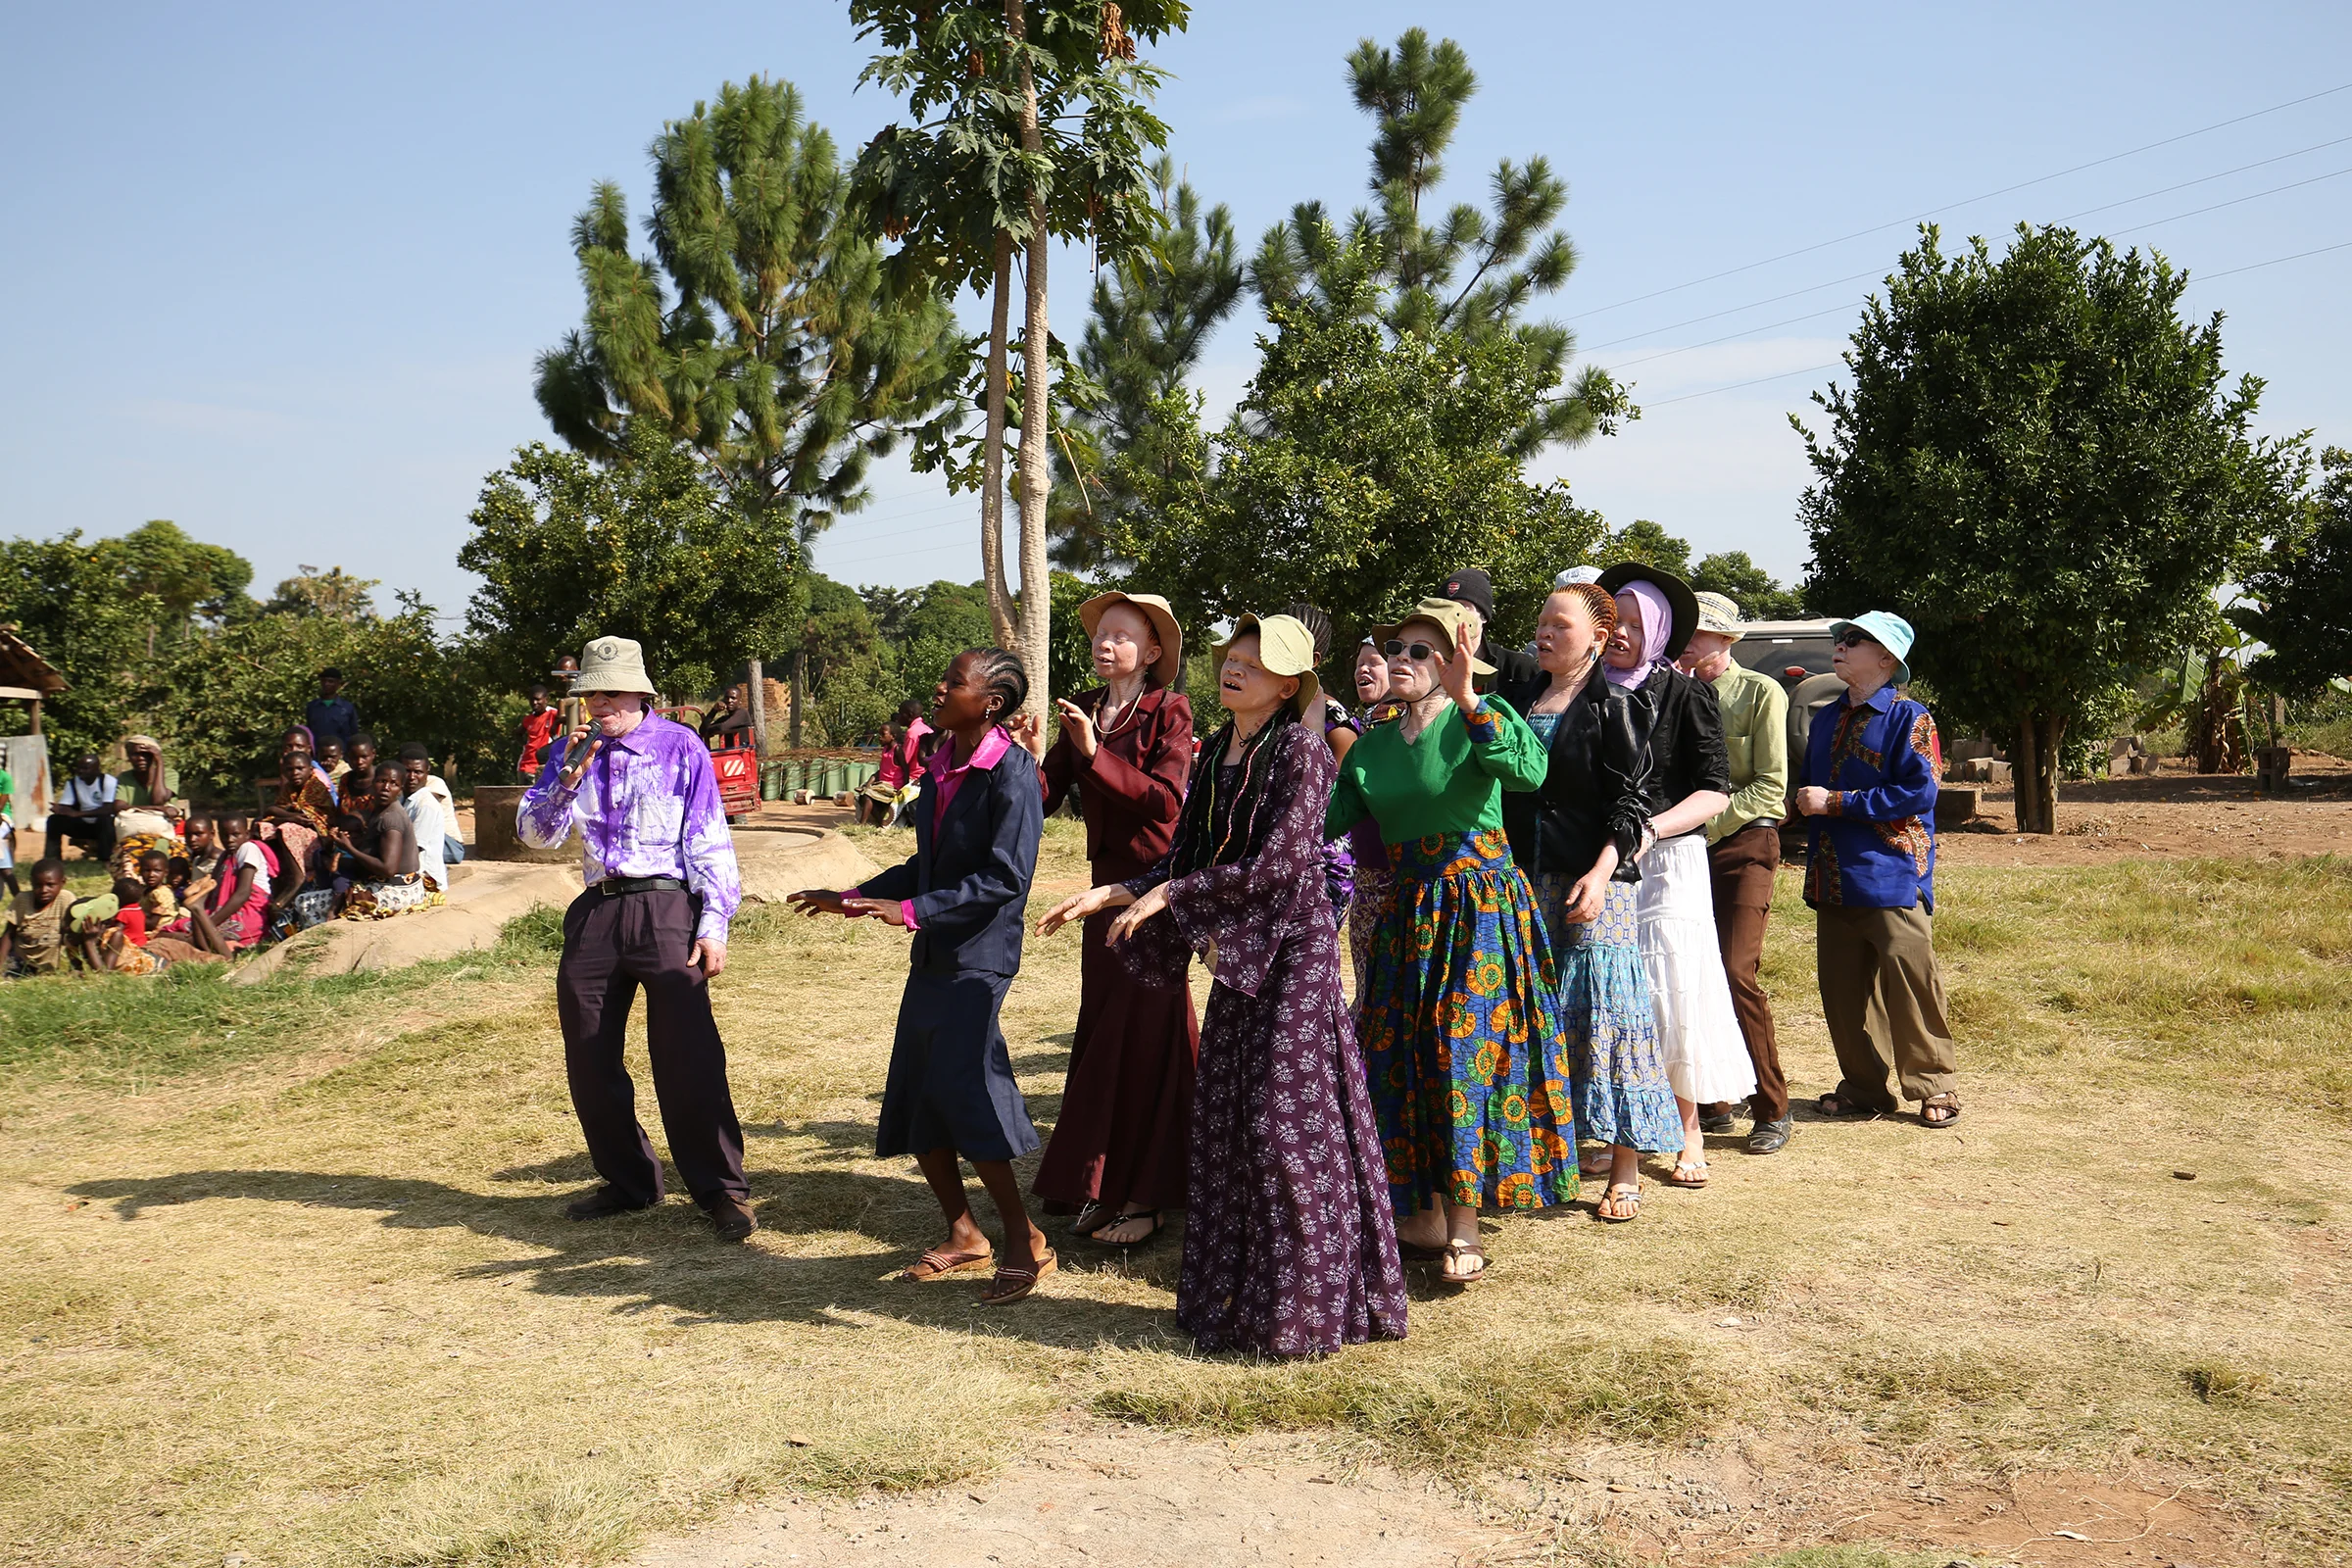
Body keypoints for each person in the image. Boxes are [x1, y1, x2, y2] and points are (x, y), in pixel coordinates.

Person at [1040, 614, 1407, 1356]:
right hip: (1238, 956)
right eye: (1231, 658)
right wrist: (1118, 893)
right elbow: (1189, 854)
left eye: (1255, 661)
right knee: (1226, 1125)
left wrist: (1171, 898)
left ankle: (1310, 1311)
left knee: (1282, 1127)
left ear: (1287, 685)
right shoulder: (1216, 757)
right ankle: (1237, 1301)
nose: (1234, 669)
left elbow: (1278, 865)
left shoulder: (1302, 751)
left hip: (1294, 957)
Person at [790, 649, 1052, 1303]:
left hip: (981, 958)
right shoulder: (940, 766)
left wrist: (912, 910)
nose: (939, 686)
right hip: (935, 954)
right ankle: (964, 1234)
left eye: (955, 682)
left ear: (991, 701)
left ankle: (1025, 1241)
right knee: (917, 1091)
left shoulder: (1012, 774)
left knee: (967, 1090)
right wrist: (851, 896)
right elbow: (926, 865)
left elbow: (1005, 878)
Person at [1329, 597, 1574, 1286]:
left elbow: (1530, 774)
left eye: (1418, 651)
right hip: (1408, 915)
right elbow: (1322, 822)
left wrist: (1471, 698)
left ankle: (1465, 1228)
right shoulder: (1372, 744)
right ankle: (1418, 1212)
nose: (1398, 660)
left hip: (1480, 911)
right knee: (1403, 1057)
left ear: (1454, 662)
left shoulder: (1483, 719)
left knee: (1462, 1053)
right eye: (1395, 648)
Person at [518, 635, 753, 1242]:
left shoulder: (681, 747)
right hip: (597, 909)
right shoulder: (572, 753)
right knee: (589, 1054)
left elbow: (708, 838)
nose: (599, 704)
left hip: (666, 905)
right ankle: (630, 1182)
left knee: (687, 1055)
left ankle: (722, 1189)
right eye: (591, 694)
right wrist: (564, 778)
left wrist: (714, 922)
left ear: (640, 693)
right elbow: (534, 836)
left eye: (611, 692)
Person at [1013, 592, 1198, 1250]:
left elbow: (1167, 803)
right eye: (1101, 634)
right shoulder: (1087, 712)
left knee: (1146, 1043)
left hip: (1151, 898)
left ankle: (1144, 1196)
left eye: (1122, 636)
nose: (1105, 644)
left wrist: (1095, 754)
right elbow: (1042, 797)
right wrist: (1025, 760)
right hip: (1101, 897)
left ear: (1152, 653)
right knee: (1103, 1037)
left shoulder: (1169, 711)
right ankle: (1102, 1185)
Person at [1499, 583, 1678, 1223]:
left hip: (1600, 883)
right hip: (1527, 880)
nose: (1545, 633)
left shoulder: (1618, 706)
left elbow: (1633, 808)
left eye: (1560, 625)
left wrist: (1602, 875)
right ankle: (1547, 1158)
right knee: (1538, 1016)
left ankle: (1624, 1168)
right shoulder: (1517, 701)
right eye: (1541, 623)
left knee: (1609, 1018)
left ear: (1599, 639)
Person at [1599, 563, 1755, 1191]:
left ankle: (1688, 1129)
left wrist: (1651, 829)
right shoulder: (1583, 691)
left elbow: (1714, 793)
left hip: (1668, 862)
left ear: (1662, 632)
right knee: (1612, 994)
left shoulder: (1685, 694)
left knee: (1669, 989)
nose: (1622, 633)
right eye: (1614, 619)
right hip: (1601, 862)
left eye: (1637, 624)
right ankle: (1617, 1133)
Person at [1794, 612, 1959, 1129]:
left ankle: (1934, 1084)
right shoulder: (1824, 718)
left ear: (1886, 659)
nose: (1840, 647)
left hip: (1891, 872)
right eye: (1840, 640)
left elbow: (1918, 792)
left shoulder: (1912, 718)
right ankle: (1864, 1087)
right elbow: (1808, 790)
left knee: (1910, 980)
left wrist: (1834, 803)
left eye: (1855, 641)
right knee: (1842, 991)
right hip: (1832, 872)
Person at [1679, 593, 1794, 1154]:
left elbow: (1772, 785)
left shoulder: (1759, 692)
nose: (1690, 643)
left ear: (1727, 641)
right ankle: (1714, 1100)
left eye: (1700, 633)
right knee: (1692, 973)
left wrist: (1702, 825)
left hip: (1745, 843)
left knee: (1734, 969)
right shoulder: (1673, 691)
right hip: (1682, 850)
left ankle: (1773, 1106)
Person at [1342, 637, 1402, 1002]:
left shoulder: (1399, 719)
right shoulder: (1371, 718)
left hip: (1392, 873)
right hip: (1368, 870)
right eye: (1359, 663)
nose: (1363, 669)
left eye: (1374, 662)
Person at [333, 763, 438, 919]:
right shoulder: (380, 810)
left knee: (308, 904)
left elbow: (388, 869)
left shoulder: (391, 818)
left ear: (400, 789)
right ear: (373, 782)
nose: (386, 787)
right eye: (381, 781)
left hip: (397, 890)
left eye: (393, 784)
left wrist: (349, 848)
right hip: (390, 884)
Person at [1435, 565, 1541, 689]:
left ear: (1483, 616)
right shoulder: (1426, 662)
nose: (1454, 613)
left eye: (1463, 607)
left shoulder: (1518, 669)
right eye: (1447, 607)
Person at [858, 700, 931, 826]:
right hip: (924, 773)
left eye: (901, 713)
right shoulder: (926, 729)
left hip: (913, 775)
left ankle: (880, 821)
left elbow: (904, 762)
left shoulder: (912, 732)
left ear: (909, 714)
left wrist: (904, 784)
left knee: (866, 793)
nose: (898, 716)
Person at [2, 858, 74, 977]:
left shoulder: (65, 899)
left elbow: (73, 932)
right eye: (38, 885)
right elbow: (9, 934)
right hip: (22, 958)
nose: (44, 890)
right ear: (31, 883)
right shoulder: (23, 899)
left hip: (52, 961)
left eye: (50, 885)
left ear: (62, 882)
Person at [397, 743, 465, 865]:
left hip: (449, 844)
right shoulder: (401, 787)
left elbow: (423, 807)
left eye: (417, 770)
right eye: (407, 770)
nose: (412, 776)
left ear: (426, 769)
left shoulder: (433, 785)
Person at [49, 752, 121, 862]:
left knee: (105, 820)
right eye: (79, 768)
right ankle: (52, 858)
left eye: (85, 768)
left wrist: (79, 814)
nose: (81, 771)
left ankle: (104, 859)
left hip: (105, 828)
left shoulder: (108, 781)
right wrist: (60, 809)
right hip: (84, 825)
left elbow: (109, 809)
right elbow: (67, 806)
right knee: (54, 820)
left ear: (97, 769)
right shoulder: (72, 783)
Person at [305, 668, 362, 758]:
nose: (326, 684)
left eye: (331, 681)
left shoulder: (347, 708)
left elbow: (353, 734)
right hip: (318, 756)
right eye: (324, 681)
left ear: (338, 684)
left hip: (341, 757)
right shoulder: (312, 707)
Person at [517, 686, 561, 783]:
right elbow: (517, 733)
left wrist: (556, 724)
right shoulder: (528, 719)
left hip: (542, 766)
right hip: (525, 766)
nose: (534, 703)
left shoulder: (553, 714)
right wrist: (525, 745)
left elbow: (566, 716)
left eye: (537, 699)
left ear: (546, 699)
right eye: (532, 700)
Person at [700, 683, 758, 751]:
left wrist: (709, 730)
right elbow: (702, 731)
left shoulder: (742, 713)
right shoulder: (725, 718)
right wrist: (714, 711)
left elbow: (722, 727)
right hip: (729, 754)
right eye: (727, 698)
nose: (729, 701)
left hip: (742, 753)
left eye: (733, 698)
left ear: (740, 701)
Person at [339, 733, 381, 808]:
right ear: (348, 757)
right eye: (354, 757)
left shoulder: (382, 780)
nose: (359, 762)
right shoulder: (345, 780)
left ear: (373, 754)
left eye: (364, 757)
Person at [0, 756, 17, 899]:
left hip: (2, 817)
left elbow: (1, 806)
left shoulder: (4, 778)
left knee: (4, 869)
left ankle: (18, 897)